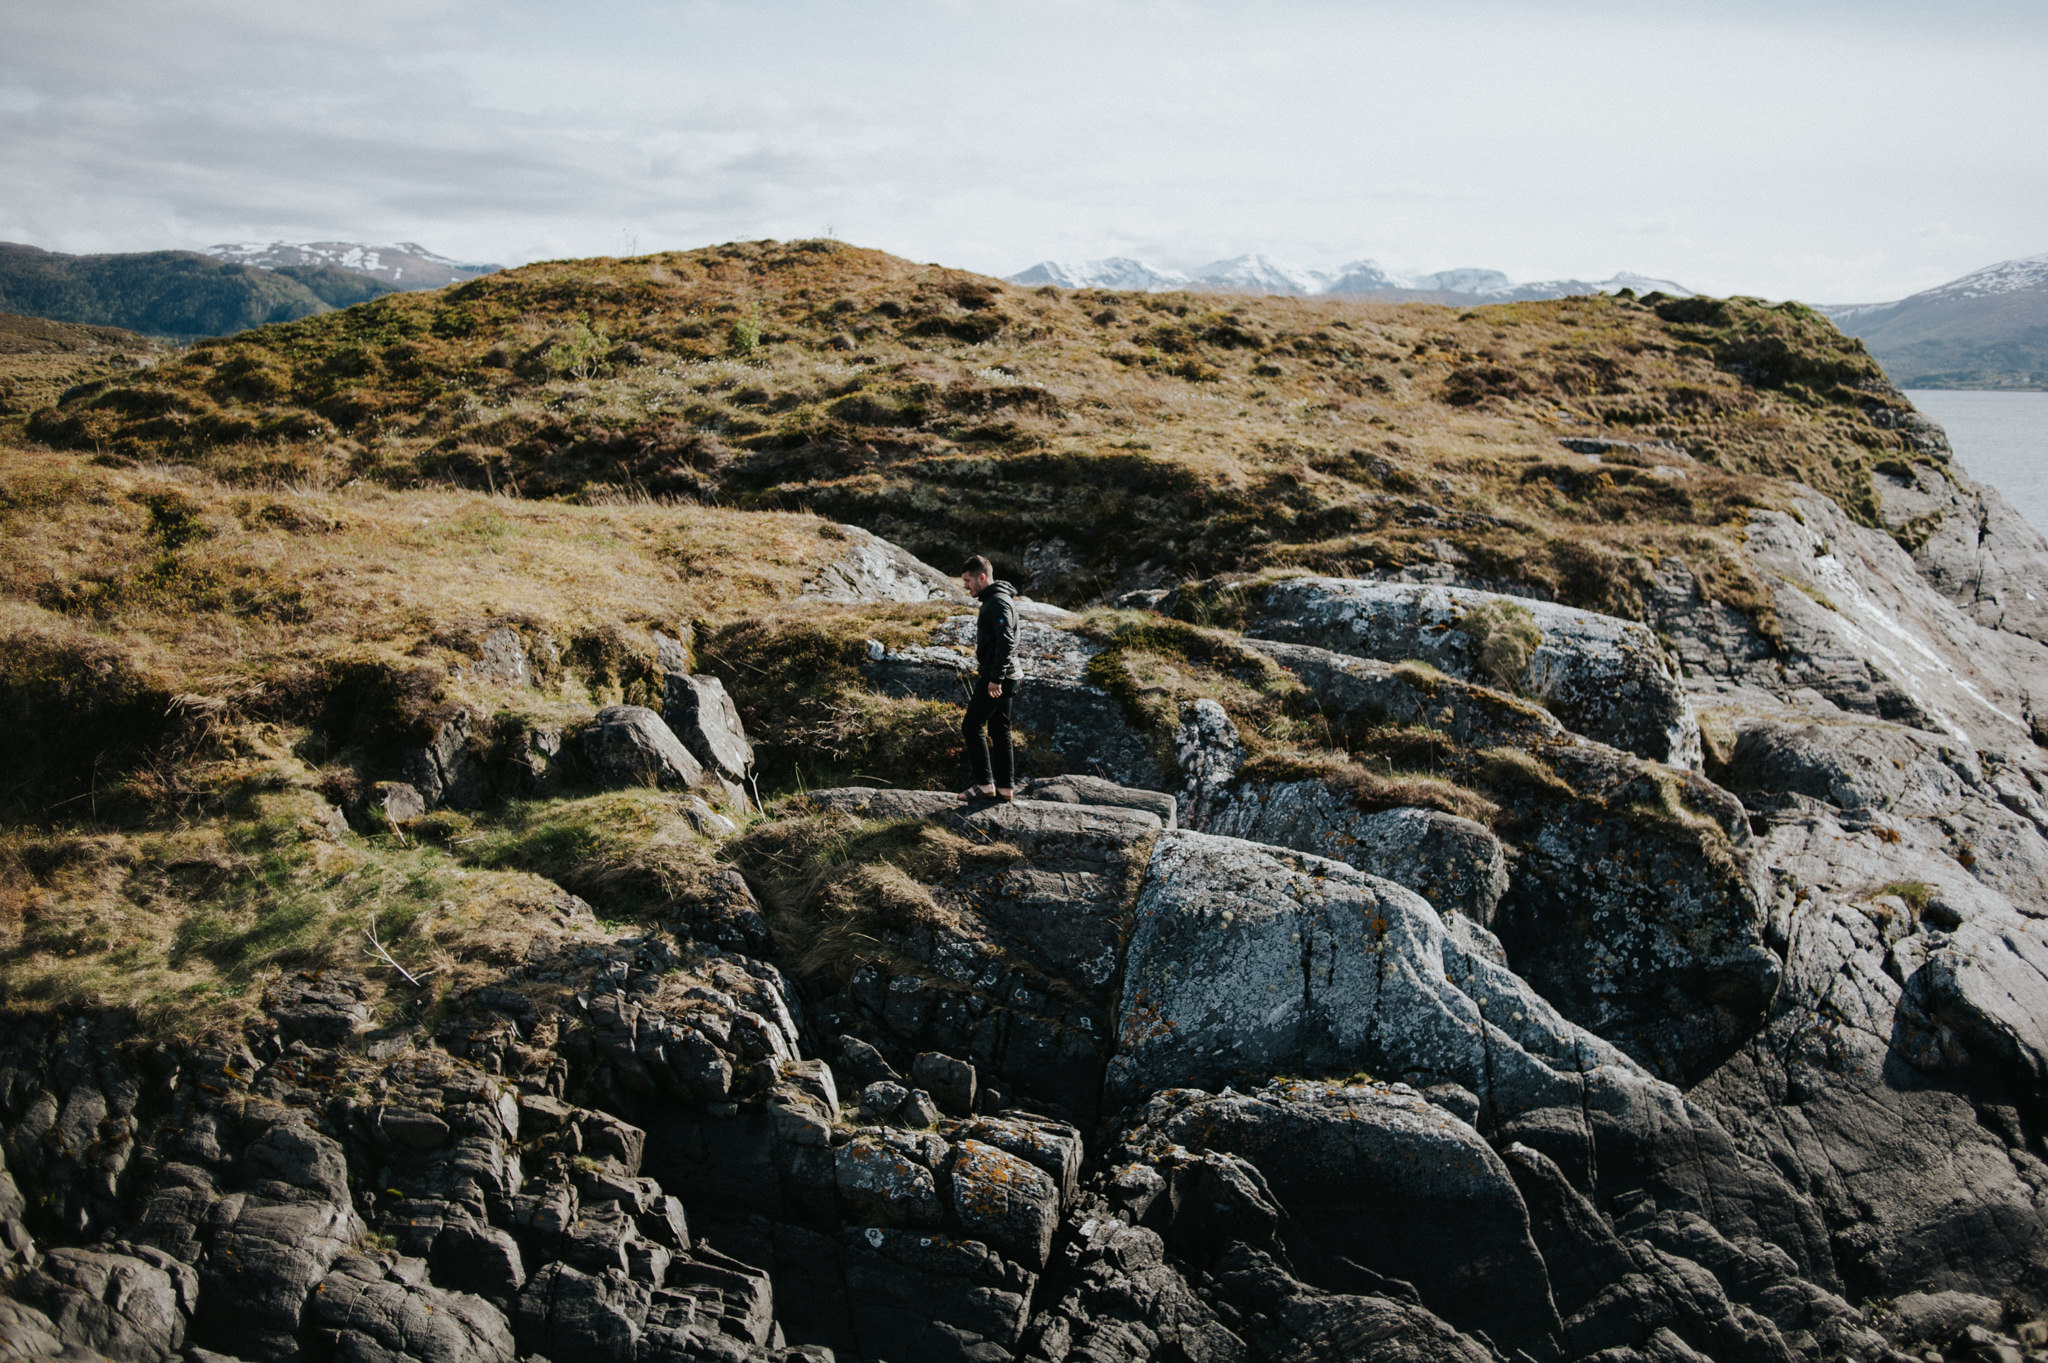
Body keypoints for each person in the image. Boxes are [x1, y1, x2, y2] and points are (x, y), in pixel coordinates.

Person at [958, 555, 1019, 801]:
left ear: (982, 577)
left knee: (971, 726)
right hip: (1009, 674)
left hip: (999, 676)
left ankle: (984, 785)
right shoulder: (998, 599)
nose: (965, 586)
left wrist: (995, 677)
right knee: (999, 728)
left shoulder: (997, 602)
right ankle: (1005, 788)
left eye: (968, 580)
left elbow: (1006, 641)